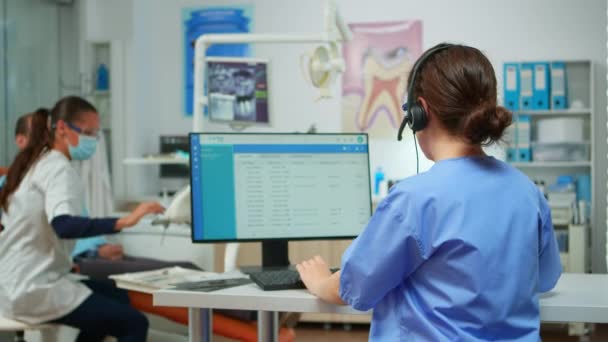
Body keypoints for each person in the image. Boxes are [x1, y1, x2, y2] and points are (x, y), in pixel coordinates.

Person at [297, 43, 562, 341]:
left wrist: (320, 282)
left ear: (419, 112)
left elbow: (354, 286)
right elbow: (546, 278)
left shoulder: (413, 199)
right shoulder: (527, 192)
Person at [0, 96, 164, 341]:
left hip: (15, 285)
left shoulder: (36, 162)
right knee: (134, 324)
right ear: (62, 128)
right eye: (88, 132)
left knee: (117, 295)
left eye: (95, 134)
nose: (93, 141)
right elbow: (64, 226)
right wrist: (124, 221)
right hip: (33, 289)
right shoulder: (57, 167)